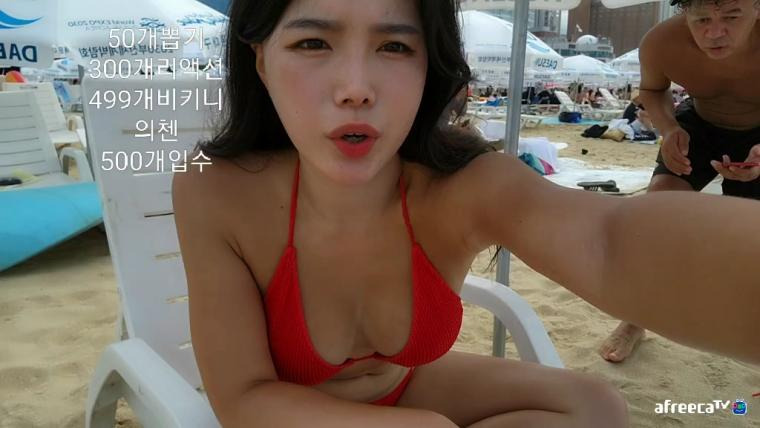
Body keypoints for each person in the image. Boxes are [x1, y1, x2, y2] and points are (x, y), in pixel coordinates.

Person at [172, 0, 760, 426]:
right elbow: (242, 399)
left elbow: (608, 241)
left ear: (429, 66)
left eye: (395, 46)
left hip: (404, 390)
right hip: (285, 412)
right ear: (260, 59)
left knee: (594, 406)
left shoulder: (459, 183)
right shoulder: (218, 189)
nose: (355, 88)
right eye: (312, 43)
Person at [599, 0, 760, 363]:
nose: (714, 32)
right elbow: (653, 90)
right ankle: (636, 319)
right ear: (684, 12)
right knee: (658, 217)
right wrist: (668, 128)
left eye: (731, 17)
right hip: (698, 125)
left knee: (750, 239)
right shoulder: (661, 42)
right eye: (701, 19)